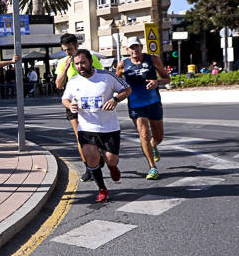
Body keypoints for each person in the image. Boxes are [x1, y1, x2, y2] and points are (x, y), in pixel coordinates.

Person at [62, 49, 131, 203]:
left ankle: (112, 167)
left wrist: (115, 100)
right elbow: (65, 99)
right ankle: (102, 189)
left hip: (109, 127)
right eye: (77, 64)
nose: (80, 66)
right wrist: (70, 105)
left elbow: (127, 89)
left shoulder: (107, 76)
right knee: (92, 159)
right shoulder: (73, 81)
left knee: (111, 160)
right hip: (86, 128)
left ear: (90, 61)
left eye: (83, 62)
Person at [116, 41, 171, 180]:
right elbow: (115, 83)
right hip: (135, 104)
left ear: (141, 47)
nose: (135, 49)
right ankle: (152, 167)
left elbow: (167, 78)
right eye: (131, 47)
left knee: (158, 137)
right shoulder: (122, 65)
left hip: (153, 102)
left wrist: (157, 82)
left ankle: (154, 145)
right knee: (144, 134)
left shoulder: (153, 59)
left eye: (137, 46)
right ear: (127, 49)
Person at [54, 33, 104, 182]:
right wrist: (65, 68)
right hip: (73, 104)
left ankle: (96, 156)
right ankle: (89, 167)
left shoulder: (89, 58)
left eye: (69, 48)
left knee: (96, 135)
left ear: (76, 45)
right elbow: (58, 84)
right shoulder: (63, 62)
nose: (68, 52)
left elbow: (101, 75)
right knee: (80, 137)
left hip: (91, 102)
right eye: (65, 50)